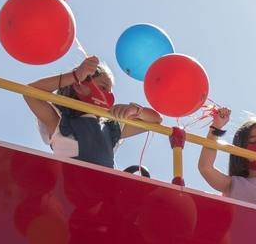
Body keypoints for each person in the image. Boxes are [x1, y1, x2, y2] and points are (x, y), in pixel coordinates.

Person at [25, 55, 161, 168]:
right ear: (79, 87)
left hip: (103, 194)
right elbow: (30, 92)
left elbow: (156, 120)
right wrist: (74, 76)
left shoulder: (111, 127)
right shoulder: (59, 121)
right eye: (103, 88)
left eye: (109, 91)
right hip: (69, 191)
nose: (107, 95)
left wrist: (135, 110)